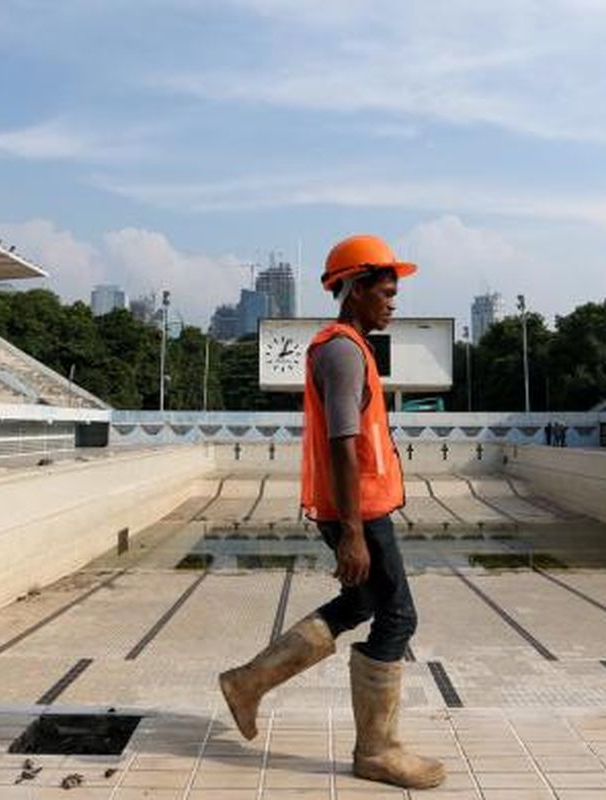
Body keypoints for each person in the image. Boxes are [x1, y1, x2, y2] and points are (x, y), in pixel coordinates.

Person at [218, 234, 445, 790]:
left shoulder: (348, 346)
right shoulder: (343, 350)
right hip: (356, 511)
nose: (393, 302)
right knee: (398, 617)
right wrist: (352, 534)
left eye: (395, 293)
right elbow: (345, 442)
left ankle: (249, 683)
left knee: (363, 601)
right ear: (353, 288)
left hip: (357, 507)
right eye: (385, 292)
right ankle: (377, 751)